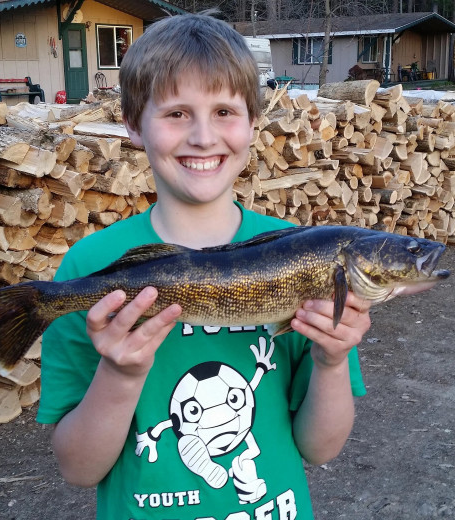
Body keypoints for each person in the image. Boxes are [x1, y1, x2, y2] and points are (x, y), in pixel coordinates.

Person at [36, 12, 372, 519]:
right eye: (176, 114)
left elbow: (321, 449)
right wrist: (120, 374)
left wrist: (330, 361)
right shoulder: (92, 266)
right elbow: (79, 470)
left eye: (224, 112)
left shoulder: (304, 258)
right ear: (132, 125)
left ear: (254, 122)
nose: (202, 136)